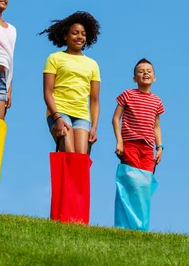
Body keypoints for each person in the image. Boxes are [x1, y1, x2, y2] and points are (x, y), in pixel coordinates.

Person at [40, 11, 101, 153]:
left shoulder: (92, 64)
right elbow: (47, 92)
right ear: (65, 36)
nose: (80, 37)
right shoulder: (54, 58)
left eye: (83, 34)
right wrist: (57, 118)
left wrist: (94, 128)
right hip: (60, 111)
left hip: (82, 115)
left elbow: (95, 100)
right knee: (69, 154)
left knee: (80, 160)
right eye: (75, 33)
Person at [112, 58, 165, 172]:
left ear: (154, 78)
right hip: (130, 144)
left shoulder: (157, 101)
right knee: (132, 176)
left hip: (148, 147)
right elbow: (116, 119)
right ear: (134, 79)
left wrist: (159, 147)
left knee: (146, 179)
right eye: (141, 71)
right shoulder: (128, 94)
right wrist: (119, 141)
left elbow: (156, 126)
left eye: (149, 71)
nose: (145, 73)